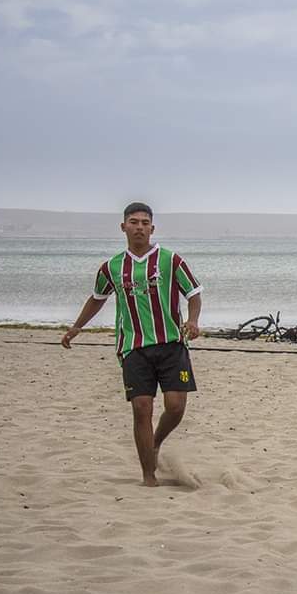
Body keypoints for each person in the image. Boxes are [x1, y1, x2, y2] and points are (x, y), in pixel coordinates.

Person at [60, 202, 201, 487]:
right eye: (133, 222)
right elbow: (97, 299)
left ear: (152, 228)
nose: (139, 227)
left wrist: (193, 320)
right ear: (123, 227)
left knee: (175, 407)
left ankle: (156, 442)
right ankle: (148, 476)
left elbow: (194, 294)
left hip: (172, 344)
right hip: (133, 348)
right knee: (141, 408)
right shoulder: (112, 267)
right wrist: (77, 327)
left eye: (144, 222)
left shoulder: (170, 260)